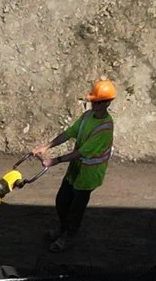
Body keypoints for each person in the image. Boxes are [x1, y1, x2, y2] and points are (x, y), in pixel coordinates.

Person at [38, 78, 116, 247]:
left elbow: (81, 152)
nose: (94, 105)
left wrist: (55, 160)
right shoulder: (87, 117)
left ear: (107, 103)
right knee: (62, 201)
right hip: (76, 169)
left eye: (98, 102)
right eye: (93, 101)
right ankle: (62, 229)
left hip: (89, 174)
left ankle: (68, 236)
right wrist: (46, 146)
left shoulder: (105, 128)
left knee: (75, 209)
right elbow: (69, 133)